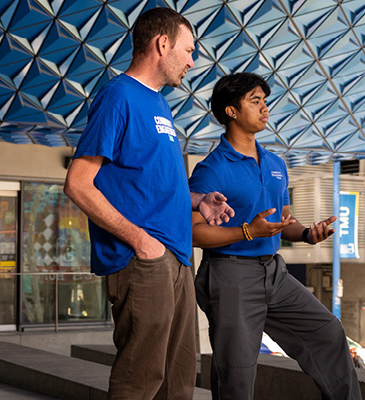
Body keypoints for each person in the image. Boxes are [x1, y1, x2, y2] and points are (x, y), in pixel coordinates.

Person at [63, 7, 234, 399]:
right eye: (188, 50)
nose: (192, 61)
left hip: (177, 258)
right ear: (162, 44)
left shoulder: (159, 104)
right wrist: (141, 242)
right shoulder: (118, 96)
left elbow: (150, 183)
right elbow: (78, 184)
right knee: (140, 381)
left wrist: (199, 201)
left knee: (178, 380)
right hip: (144, 262)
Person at [189, 72, 361, 400]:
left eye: (265, 101)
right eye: (255, 102)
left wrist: (308, 233)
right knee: (236, 375)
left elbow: (284, 219)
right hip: (230, 274)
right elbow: (193, 232)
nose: (265, 108)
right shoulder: (212, 169)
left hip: (275, 273)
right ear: (231, 111)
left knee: (328, 332)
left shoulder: (275, 164)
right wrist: (246, 231)